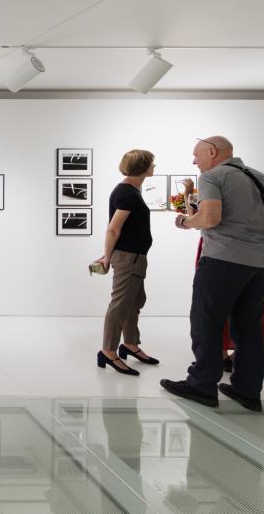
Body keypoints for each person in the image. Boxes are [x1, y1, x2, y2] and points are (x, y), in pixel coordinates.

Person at [161, 136, 264, 411]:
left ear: (212, 152)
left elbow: (210, 218)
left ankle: (201, 385)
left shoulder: (213, 176)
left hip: (225, 260)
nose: (194, 161)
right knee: (248, 325)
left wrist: (185, 221)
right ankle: (247, 390)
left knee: (207, 321)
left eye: (196, 155)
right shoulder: (262, 178)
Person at [181, 177, 264, 372]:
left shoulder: (214, 183)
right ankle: (239, 370)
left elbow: (204, 221)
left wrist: (184, 221)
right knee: (245, 313)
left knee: (215, 308)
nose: (194, 161)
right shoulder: (261, 185)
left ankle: (209, 371)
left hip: (223, 254)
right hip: (259, 258)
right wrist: (188, 194)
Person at [94, 149, 159, 376]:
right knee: (120, 304)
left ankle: (130, 345)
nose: (154, 167)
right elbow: (113, 228)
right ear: (142, 166)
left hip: (136, 256)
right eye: (152, 163)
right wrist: (107, 257)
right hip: (128, 257)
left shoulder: (131, 191)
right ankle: (108, 351)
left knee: (136, 300)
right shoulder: (127, 193)